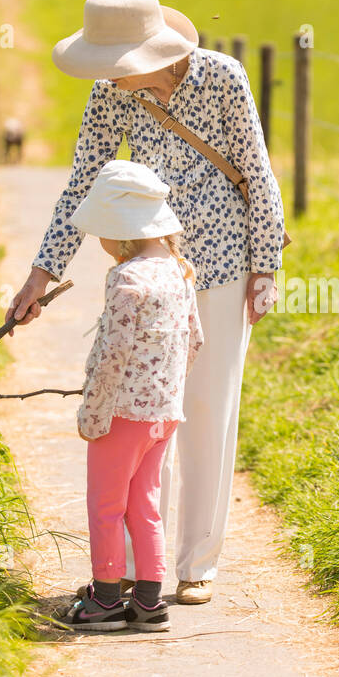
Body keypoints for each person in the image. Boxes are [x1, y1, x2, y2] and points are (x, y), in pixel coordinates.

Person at [7, 0, 285, 606]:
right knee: (144, 414)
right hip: (152, 267)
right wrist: (38, 276)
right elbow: (82, 183)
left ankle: (198, 564)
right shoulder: (109, 95)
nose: (108, 76)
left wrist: (266, 267)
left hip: (221, 262)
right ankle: (139, 567)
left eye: (116, 63)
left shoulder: (223, 79)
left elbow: (257, 169)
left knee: (208, 412)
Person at [61, 160, 203, 632]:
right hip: (164, 414)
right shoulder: (181, 272)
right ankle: (148, 600)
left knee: (106, 502)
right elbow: (194, 340)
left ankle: (104, 600)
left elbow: (112, 356)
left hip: (121, 414)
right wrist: (167, 387)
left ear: (121, 234)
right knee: (145, 500)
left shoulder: (128, 280)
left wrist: (93, 411)